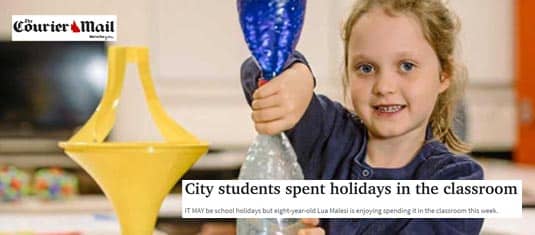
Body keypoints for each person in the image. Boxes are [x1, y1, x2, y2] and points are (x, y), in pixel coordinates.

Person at [240, 0, 484, 234]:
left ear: (444, 75)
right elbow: (255, 70)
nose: (384, 87)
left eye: (406, 66)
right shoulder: (326, 132)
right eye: (365, 68)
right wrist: (297, 72)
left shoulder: (457, 182)